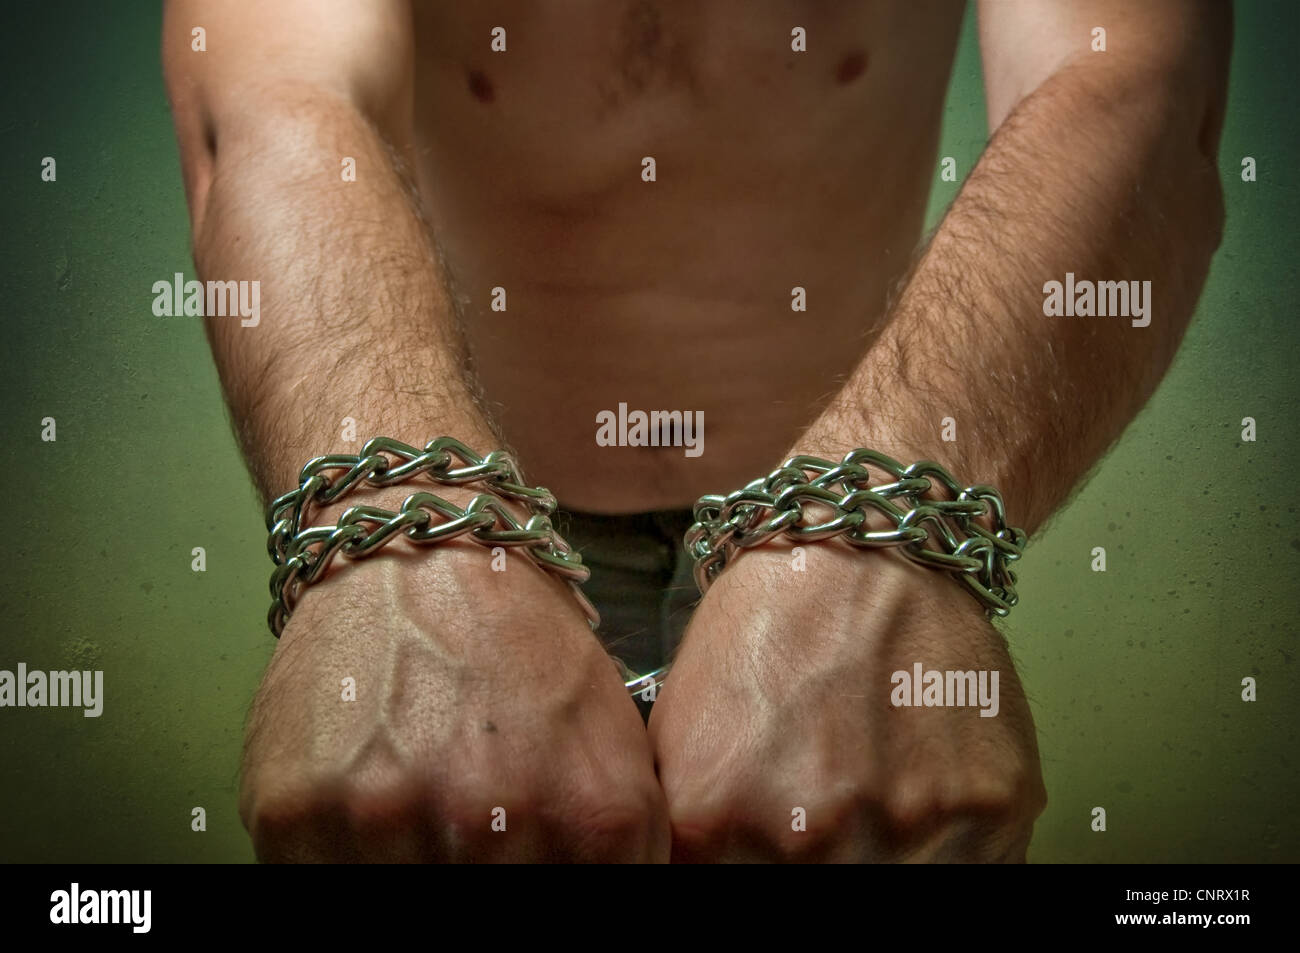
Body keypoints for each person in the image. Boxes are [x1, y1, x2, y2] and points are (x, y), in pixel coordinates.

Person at [162, 0, 1229, 862]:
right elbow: (271, 92)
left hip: (865, 529)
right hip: (488, 532)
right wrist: (399, 530)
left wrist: (879, 538)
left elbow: (1131, 83)